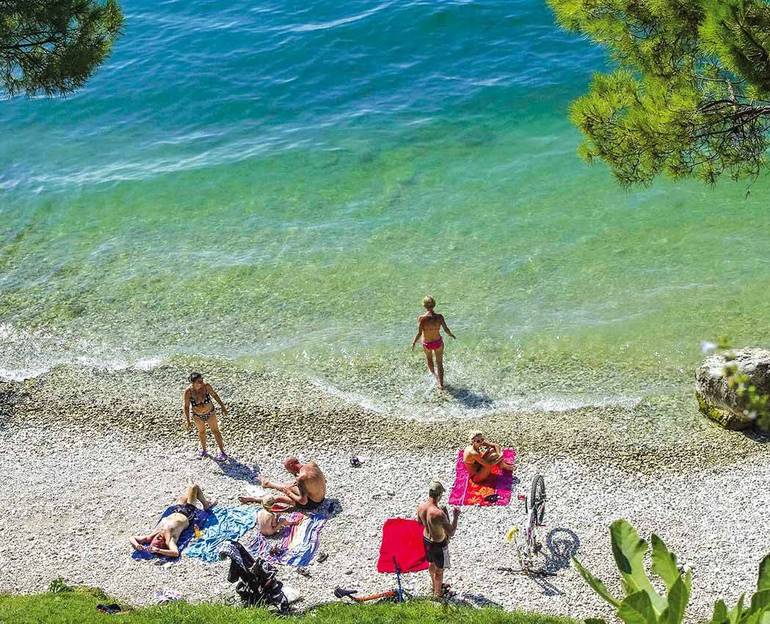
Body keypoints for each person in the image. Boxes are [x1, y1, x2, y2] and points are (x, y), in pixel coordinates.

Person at [130, 482, 215, 558]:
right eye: (159, 543)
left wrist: (137, 545)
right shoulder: (169, 540)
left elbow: (132, 538)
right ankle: (206, 504)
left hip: (176, 510)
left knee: (185, 495)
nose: (158, 539)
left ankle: (191, 483)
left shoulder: (149, 537)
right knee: (193, 487)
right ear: (163, 545)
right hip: (187, 513)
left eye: (155, 541)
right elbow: (175, 553)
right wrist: (159, 550)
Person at [417, 481, 459, 598]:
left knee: (431, 563)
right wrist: (455, 516)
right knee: (439, 570)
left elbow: (419, 523)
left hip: (426, 539)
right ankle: (438, 593)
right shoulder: (438, 513)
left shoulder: (421, 507)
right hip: (439, 544)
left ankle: (434, 585)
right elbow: (451, 532)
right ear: (439, 495)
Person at [239, 457, 326, 512]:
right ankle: (268, 484)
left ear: (291, 465)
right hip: (322, 496)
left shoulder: (301, 478)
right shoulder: (312, 464)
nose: (288, 472)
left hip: (313, 503)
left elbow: (303, 501)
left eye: (287, 469)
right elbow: (324, 480)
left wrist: (289, 493)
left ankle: (253, 499)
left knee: (278, 498)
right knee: (289, 486)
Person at [411, 295, 456, 390]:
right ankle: (441, 384)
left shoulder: (422, 318)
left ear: (424, 306)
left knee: (429, 360)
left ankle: (436, 378)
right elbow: (446, 329)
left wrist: (414, 342)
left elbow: (419, 333)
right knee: (439, 363)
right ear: (434, 305)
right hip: (438, 342)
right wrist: (451, 335)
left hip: (427, 344)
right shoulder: (439, 317)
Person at [183, 372, 229, 460]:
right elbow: (186, 406)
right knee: (201, 432)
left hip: (210, 413)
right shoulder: (188, 392)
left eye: (202, 380)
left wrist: (223, 406)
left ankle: (222, 452)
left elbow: (215, 395)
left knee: (215, 431)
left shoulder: (206, 386)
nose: (201, 382)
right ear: (193, 382)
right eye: (199, 381)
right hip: (197, 416)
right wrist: (188, 421)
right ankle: (204, 451)